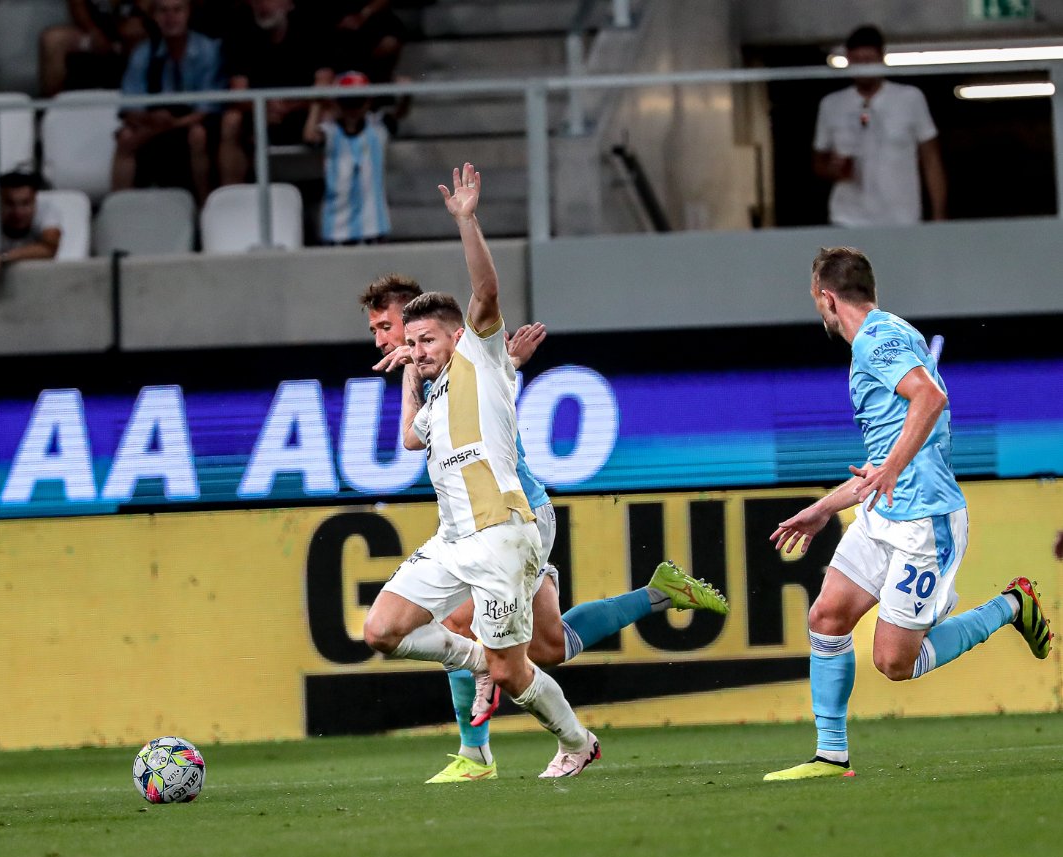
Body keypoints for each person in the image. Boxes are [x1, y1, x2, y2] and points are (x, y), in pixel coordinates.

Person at [360, 272, 728, 781]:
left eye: (386, 327)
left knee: (469, 629)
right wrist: (418, 372)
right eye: (377, 331)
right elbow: (413, 436)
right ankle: (659, 593)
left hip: (518, 516)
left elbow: (485, 363)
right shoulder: (436, 380)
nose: (381, 340)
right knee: (550, 647)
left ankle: (476, 754)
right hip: (475, 524)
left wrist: (504, 361)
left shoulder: (470, 360)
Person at [764, 248, 1052, 781]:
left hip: (924, 524)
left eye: (816, 301)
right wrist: (822, 509)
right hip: (884, 513)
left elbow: (930, 397)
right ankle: (830, 756)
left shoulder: (877, 339)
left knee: (895, 663)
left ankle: (1012, 606)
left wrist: (892, 468)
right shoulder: (887, 337)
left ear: (827, 298)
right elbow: (884, 459)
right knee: (827, 617)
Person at [814, 24, 947, 227]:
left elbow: (931, 161)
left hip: (902, 220)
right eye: (857, 61)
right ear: (848, 60)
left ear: (881, 58)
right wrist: (833, 170)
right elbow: (818, 162)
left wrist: (939, 217)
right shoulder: (831, 105)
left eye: (869, 60)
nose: (864, 68)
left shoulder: (910, 98)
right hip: (847, 220)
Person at [113, 0, 224, 203]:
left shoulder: (208, 50)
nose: (170, 17)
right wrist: (149, 119)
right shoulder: (143, 53)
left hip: (193, 121)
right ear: (154, 16)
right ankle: (119, 207)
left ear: (189, 13)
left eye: (177, 10)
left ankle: (205, 205)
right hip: (154, 120)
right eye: (163, 11)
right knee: (126, 136)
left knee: (198, 134)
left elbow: (208, 108)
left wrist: (173, 123)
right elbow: (130, 106)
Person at [217, 0, 333, 187]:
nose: (263, 5)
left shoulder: (312, 30)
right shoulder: (240, 34)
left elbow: (325, 82)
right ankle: (232, 196)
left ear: (289, 4)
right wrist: (263, 107)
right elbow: (238, 92)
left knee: (329, 113)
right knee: (231, 120)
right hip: (259, 113)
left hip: (303, 110)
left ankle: (335, 193)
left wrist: (291, 104)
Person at [306, 70, 390, 245]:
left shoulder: (378, 128)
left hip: (373, 225)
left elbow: (401, 111)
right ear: (337, 102)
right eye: (347, 102)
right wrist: (317, 103)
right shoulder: (330, 130)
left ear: (368, 101)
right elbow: (310, 136)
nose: (353, 109)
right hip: (337, 226)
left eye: (358, 102)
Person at [0, 172, 63, 292]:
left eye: (25, 203)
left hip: (37, 284)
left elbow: (49, 248)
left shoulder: (47, 212)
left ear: (35, 200)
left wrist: (0, 258)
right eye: (10, 204)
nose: (18, 213)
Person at [38, 0, 151, 96]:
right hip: (94, 34)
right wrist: (94, 32)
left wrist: (121, 34)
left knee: (136, 34)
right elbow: (77, 7)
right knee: (53, 40)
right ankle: (53, 106)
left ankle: (137, 101)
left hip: (128, 35)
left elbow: (143, 13)